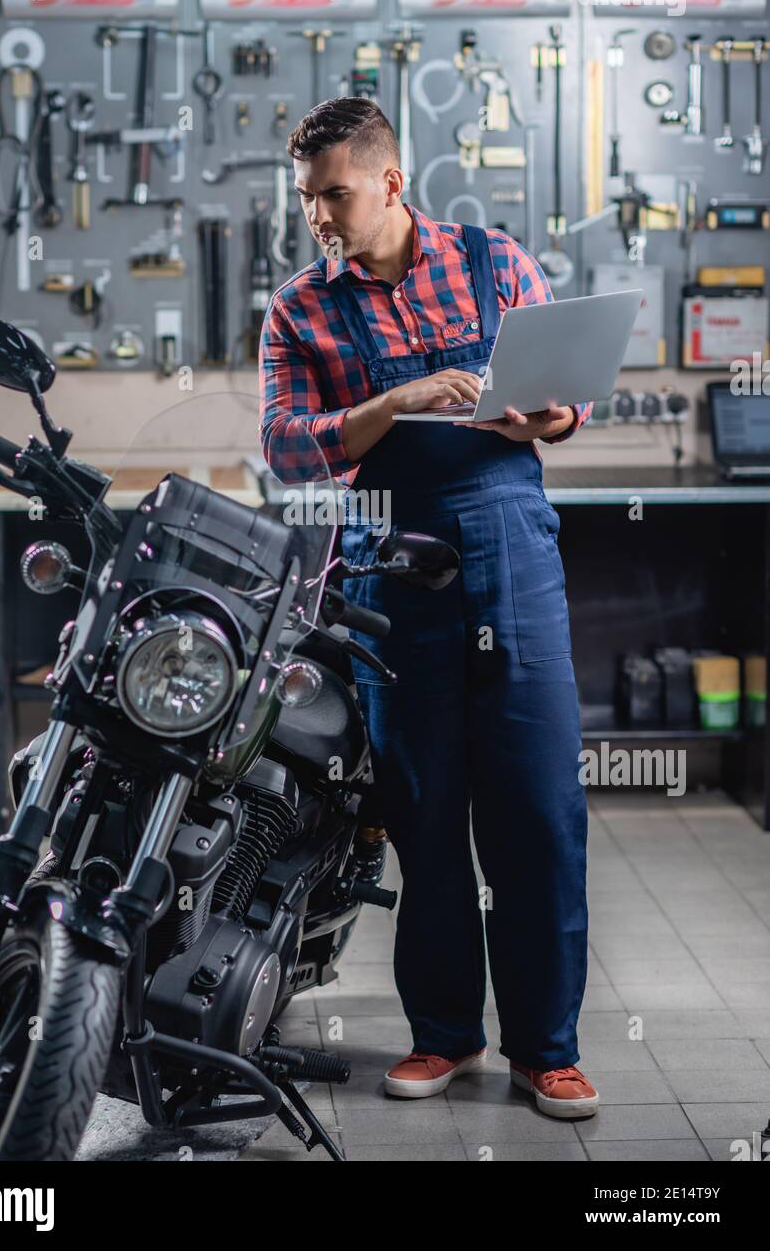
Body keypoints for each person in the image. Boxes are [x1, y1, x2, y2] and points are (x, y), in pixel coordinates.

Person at [258, 96, 598, 1119]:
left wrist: (558, 413)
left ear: (392, 182)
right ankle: (445, 1033)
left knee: (537, 807)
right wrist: (393, 403)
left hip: (509, 542)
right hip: (387, 564)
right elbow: (283, 449)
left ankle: (549, 1047)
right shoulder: (300, 308)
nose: (319, 214)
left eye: (336, 193)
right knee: (424, 811)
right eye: (308, 197)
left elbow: (569, 396)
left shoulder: (494, 260)